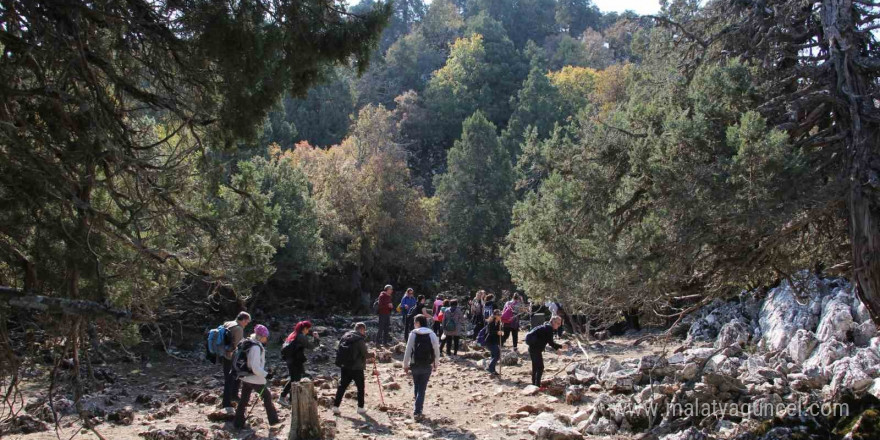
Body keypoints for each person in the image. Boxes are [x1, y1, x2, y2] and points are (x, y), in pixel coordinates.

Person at [233, 324, 280, 429]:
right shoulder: (256, 347)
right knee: (267, 396)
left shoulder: (249, 342)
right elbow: (255, 367)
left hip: (245, 377)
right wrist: (267, 375)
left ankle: (238, 423)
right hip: (254, 379)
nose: (266, 339)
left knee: (244, 400)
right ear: (261, 336)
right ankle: (274, 421)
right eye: (265, 336)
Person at [403, 315, 440, 420]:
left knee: (417, 385)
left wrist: (405, 365)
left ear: (418, 322)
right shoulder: (432, 334)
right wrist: (436, 363)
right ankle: (418, 410)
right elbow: (437, 350)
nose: (414, 324)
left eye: (415, 322)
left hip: (415, 364)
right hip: (427, 364)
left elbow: (408, 350)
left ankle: (417, 409)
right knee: (422, 388)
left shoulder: (413, 334)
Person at [278, 321, 319, 407]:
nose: (308, 331)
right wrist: (316, 338)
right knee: (295, 380)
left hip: (289, 360)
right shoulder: (300, 336)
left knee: (294, 379)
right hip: (295, 361)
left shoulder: (293, 334)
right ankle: (285, 398)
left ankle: (289, 399)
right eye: (308, 329)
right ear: (304, 329)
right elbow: (311, 346)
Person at [333, 322, 370, 415]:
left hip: (344, 366)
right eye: (364, 330)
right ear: (361, 329)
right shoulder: (359, 339)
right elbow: (365, 354)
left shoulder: (345, 336)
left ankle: (335, 406)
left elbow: (338, 349)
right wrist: (372, 354)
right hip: (356, 367)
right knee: (360, 387)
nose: (364, 332)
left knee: (342, 386)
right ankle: (360, 408)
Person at [221, 312, 250, 414]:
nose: (247, 324)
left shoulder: (228, 323)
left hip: (224, 355)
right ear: (243, 320)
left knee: (235, 377)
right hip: (231, 357)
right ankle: (226, 403)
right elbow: (238, 346)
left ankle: (234, 396)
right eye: (247, 322)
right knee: (230, 380)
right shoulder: (238, 329)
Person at [525, 316, 564, 387]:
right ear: (553, 322)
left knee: (535, 366)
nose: (558, 326)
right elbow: (551, 343)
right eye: (558, 323)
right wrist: (561, 346)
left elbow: (548, 341)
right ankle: (537, 385)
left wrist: (557, 349)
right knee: (540, 367)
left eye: (560, 324)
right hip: (536, 349)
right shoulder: (549, 328)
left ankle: (534, 384)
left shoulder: (545, 326)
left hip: (532, 348)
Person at [485, 309, 503, 376]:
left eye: (500, 315)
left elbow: (499, 331)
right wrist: (497, 332)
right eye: (499, 315)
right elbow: (489, 332)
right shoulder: (491, 322)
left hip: (495, 341)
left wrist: (500, 332)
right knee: (497, 355)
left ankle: (493, 370)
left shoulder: (498, 322)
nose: (500, 316)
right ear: (495, 316)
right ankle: (490, 367)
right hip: (489, 341)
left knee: (494, 355)